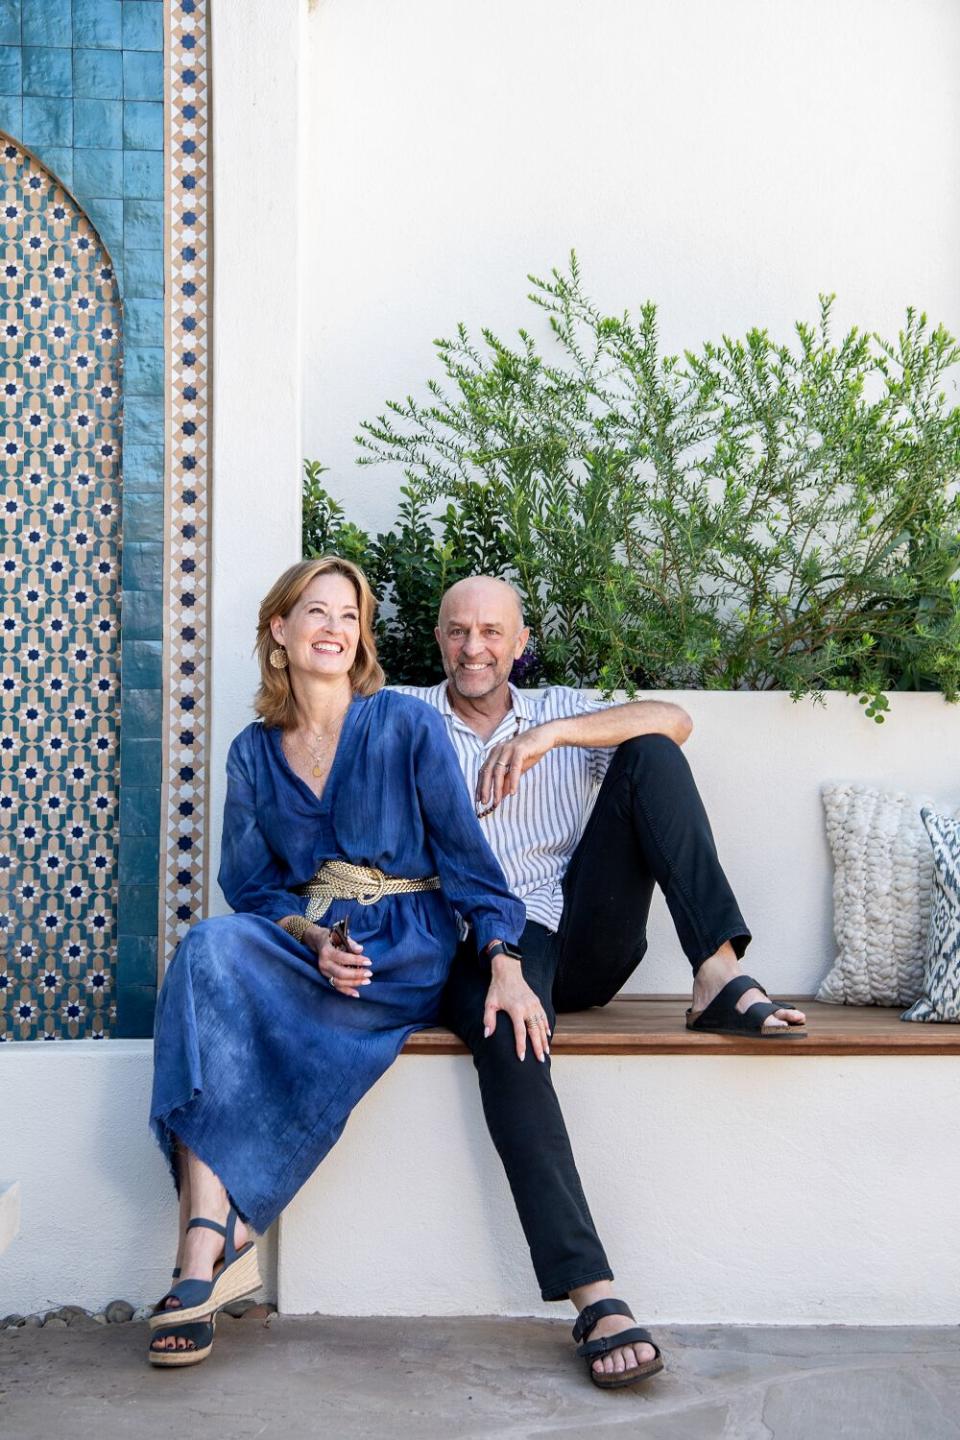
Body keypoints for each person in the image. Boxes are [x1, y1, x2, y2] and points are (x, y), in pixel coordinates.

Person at [398, 575, 807, 1390]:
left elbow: (677, 720)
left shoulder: (562, 712)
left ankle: (715, 975)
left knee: (651, 752)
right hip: (474, 938)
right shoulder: (405, 717)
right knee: (510, 1038)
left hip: (573, 932)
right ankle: (596, 1296)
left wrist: (550, 739)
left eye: (491, 633)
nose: (473, 648)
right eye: (456, 632)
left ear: (520, 643)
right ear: (438, 639)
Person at [146, 557, 525, 1367]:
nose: (333, 628)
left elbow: (467, 862)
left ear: (361, 639)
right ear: (279, 632)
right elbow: (251, 888)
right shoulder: (253, 753)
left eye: (348, 616)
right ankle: (210, 1245)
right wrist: (313, 941)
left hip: (405, 946)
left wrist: (502, 957)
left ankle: (208, 1245)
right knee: (207, 948)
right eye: (314, 613)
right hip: (310, 943)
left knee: (235, 989)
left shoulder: (404, 725)